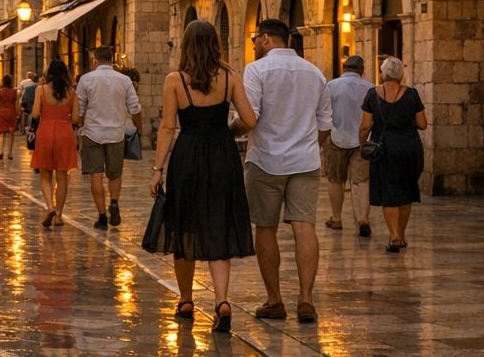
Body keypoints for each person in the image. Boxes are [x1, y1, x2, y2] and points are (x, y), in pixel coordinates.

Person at [149, 20, 259, 333]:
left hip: (188, 156)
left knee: (185, 225)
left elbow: (168, 128)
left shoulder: (175, 81)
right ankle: (222, 301)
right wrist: (229, 130)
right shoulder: (230, 77)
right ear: (215, 44)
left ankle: (186, 301)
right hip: (223, 154)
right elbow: (249, 119)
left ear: (185, 46)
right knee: (218, 223)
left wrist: (157, 169)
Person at [243, 18, 332, 324]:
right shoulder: (315, 73)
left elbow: (250, 117)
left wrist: (230, 128)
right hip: (305, 162)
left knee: (265, 228)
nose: (254, 44)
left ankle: (274, 299)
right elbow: (325, 124)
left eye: (256, 38)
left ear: (267, 39)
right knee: (305, 226)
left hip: (265, 159)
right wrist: (307, 145)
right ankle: (306, 300)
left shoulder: (255, 71)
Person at [359, 57, 427, 253]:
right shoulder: (412, 94)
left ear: (383, 73)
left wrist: (363, 144)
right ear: (400, 74)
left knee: (389, 192)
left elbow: (365, 125)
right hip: (409, 147)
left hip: (384, 148)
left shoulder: (372, 94)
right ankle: (402, 235)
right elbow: (422, 124)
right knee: (406, 191)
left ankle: (394, 236)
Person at [73, 48, 144, 230]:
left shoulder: (86, 79)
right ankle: (114, 203)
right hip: (116, 133)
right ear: (111, 61)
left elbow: (79, 109)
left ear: (95, 61)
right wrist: (139, 128)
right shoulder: (124, 80)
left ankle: (102, 216)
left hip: (92, 133)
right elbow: (135, 108)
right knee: (115, 173)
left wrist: (79, 125)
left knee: (96, 175)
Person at [323, 56, 374, 238]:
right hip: (363, 138)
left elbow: (323, 112)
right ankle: (363, 220)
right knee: (362, 181)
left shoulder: (331, 86)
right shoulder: (370, 87)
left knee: (335, 179)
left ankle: (337, 218)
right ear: (362, 70)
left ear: (343, 68)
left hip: (337, 136)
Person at [31, 60, 77, 227]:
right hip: (65, 133)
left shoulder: (41, 90)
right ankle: (58, 214)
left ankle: (50, 207)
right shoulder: (71, 92)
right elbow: (77, 118)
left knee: (45, 173)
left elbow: (35, 114)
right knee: (62, 175)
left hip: (46, 132)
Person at [0, 76, 19, 161]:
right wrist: (18, 113)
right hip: (11, 113)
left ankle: (1, 151)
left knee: (1, 133)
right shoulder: (14, 91)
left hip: (2, 113)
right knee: (11, 134)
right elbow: (16, 104)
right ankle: (10, 153)